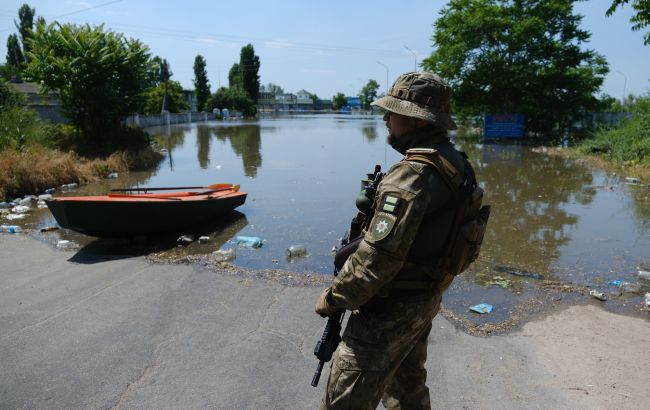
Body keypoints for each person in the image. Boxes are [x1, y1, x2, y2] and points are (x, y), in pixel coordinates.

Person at [315, 71, 472, 410]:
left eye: (393, 111)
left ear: (416, 119)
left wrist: (335, 297)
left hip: (387, 312)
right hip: (422, 301)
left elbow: (376, 261)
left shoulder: (412, 175)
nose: (386, 118)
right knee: (407, 392)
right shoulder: (454, 161)